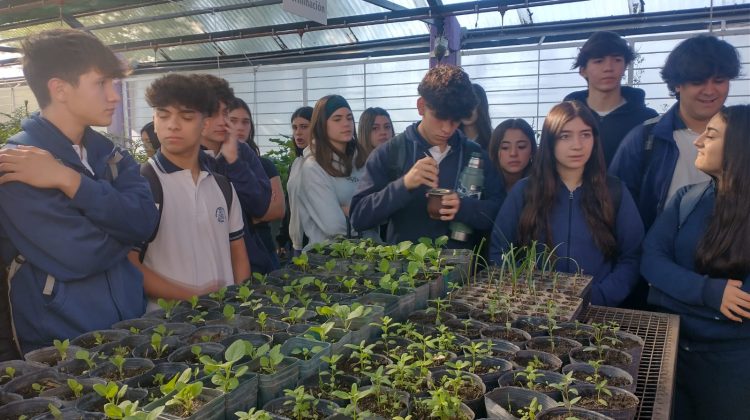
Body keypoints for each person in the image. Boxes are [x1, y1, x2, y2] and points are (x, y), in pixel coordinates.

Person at [0, 29, 159, 354]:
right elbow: (77, 255)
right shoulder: (17, 163)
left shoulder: (112, 155)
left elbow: (146, 224)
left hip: (128, 330)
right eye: (101, 83)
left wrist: (69, 180)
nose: (114, 95)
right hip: (61, 350)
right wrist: (124, 233)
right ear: (59, 89)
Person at [609, 35, 741, 309]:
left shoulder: (745, 140)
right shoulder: (645, 139)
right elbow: (613, 206)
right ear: (677, 84)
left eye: (719, 80)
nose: (710, 90)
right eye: (698, 81)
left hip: (732, 279)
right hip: (659, 279)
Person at [641, 105, 750, 420]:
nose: (698, 141)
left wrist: (664, 294)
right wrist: (709, 293)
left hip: (731, 370)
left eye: (711, 135)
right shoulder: (686, 198)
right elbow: (651, 260)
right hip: (670, 357)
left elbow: (744, 308)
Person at [490, 101, 644, 307]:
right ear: (550, 141)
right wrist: (529, 293)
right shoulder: (525, 191)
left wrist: (601, 295)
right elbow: (499, 251)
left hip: (597, 312)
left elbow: (632, 256)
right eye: (565, 136)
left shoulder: (614, 191)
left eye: (585, 134)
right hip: (533, 312)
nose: (577, 145)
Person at [128, 74, 250, 306]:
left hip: (224, 323)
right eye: (163, 115)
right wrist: (193, 296)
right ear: (154, 120)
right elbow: (129, 263)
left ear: (204, 123)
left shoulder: (222, 186)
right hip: (165, 331)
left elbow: (238, 253)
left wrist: (240, 306)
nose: (172, 125)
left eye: (186, 116)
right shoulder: (142, 184)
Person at [350, 66, 503, 249]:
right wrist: (404, 184)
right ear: (421, 106)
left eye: (455, 121)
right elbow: (359, 217)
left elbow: (500, 213)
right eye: (440, 117)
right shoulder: (390, 153)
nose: (447, 129)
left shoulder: (475, 155)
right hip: (404, 272)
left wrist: (463, 207)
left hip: (459, 271)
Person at [193, 74, 275, 274]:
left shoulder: (242, 151)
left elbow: (261, 205)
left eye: (225, 113)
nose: (222, 122)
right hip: (206, 270)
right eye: (212, 113)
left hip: (250, 261)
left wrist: (234, 162)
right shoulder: (187, 158)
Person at [564, 31, 658, 165]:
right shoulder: (564, 118)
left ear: (625, 66)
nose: (608, 68)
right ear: (583, 70)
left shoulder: (648, 120)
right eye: (599, 61)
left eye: (617, 60)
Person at [298, 95, 375, 247]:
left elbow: (382, 212)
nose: (346, 124)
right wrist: (367, 212)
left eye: (349, 117)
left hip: (369, 257)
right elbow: (334, 226)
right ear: (322, 125)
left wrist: (348, 211)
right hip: (329, 262)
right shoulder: (313, 167)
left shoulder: (362, 161)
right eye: (337, 119)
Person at [227, 97, 285, 271]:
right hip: (231, 254)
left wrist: (238, 215)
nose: (240, 127)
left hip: (264, 248)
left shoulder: (265, 165)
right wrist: (258, 209)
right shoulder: (215, 165)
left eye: (245, 122)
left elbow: (277, 210)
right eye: (233, 121)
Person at [276, 106, 313, 257]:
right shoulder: (296, 163)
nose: (298, 132)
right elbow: (290, 204)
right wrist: (281, 239)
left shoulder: (321, 163)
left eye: (304, 127)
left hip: (316, 242)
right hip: (296, 243)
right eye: (295, 127)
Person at [488, 118, 538, 193]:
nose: (513, 153)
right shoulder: (484, 183)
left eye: (521, 146)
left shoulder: (542, 185)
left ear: (532, 150)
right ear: (495, 151)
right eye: (505, 147)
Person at [459, 83, 493, 150]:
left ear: (482, 106)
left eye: (472, 105)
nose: (467, 110)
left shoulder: (494, 140)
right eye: (463, 104)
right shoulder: (448, 140)